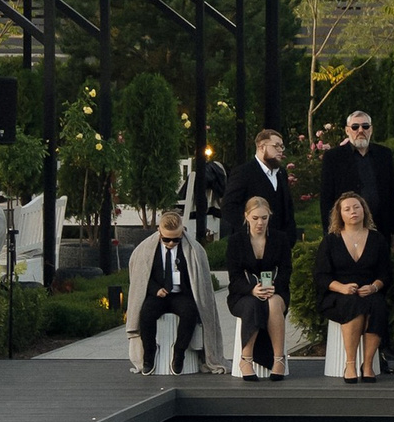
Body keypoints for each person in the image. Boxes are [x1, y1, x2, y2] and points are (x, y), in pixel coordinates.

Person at [127, 208, 213, 375]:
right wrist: (155, 289)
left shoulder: (193, 249)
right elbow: (141, 276)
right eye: (166, 239)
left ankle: (179, 352)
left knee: (190, 313)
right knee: (145, 314)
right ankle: (149, 354)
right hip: (157, 295)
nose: (171, 243)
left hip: (181, 294)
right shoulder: (146, 249)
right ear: (159, 231)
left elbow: (199, 279)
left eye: (176, 239)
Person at [317, 191, 391, 384]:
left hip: (369, 291)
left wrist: (374, 287)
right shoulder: (331, 240)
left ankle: (367, 365)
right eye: (347, 209)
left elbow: (385, 274)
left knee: (377, 306)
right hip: (338, 294)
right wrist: (341, 287)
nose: (353, 212)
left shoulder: (377, 239)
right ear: (340, 214)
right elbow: (321, 275)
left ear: (364, 210)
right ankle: (350, 364)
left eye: (356, 207)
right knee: (352, 303)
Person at [224, 193, 292, 381]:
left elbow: (286, 270)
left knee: (272, 303)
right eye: (255, 218)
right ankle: (246, 359)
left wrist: (274, 288)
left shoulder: (280, 239)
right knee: (253, 305)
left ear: (270, 216)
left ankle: (279, 359)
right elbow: (234, 277)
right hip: (242, 293)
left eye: (264, 218)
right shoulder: (236, 241)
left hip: (275, 290)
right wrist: (252, 290)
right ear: (246, 216)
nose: (260, 223)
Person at [318, 111, 394, 234]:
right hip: (347, 228)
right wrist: (330, 231)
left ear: (371, 129)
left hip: (381, 226)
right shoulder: (333, 157)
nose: (360, 130)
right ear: (347, 131)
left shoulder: (384, 154)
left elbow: (392, 190)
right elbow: (326, 196)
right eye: (355, 127)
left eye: (365, 126)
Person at [222, 129, 298, 250]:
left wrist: (290, 236)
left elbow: (287, 207)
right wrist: (251, 230)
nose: (280, 150)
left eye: (282, 146)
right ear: (261, 147)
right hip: (251, 245)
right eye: (276, 146)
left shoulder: (281, 173)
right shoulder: (244, 172)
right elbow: (229, 206)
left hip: (280, 244)